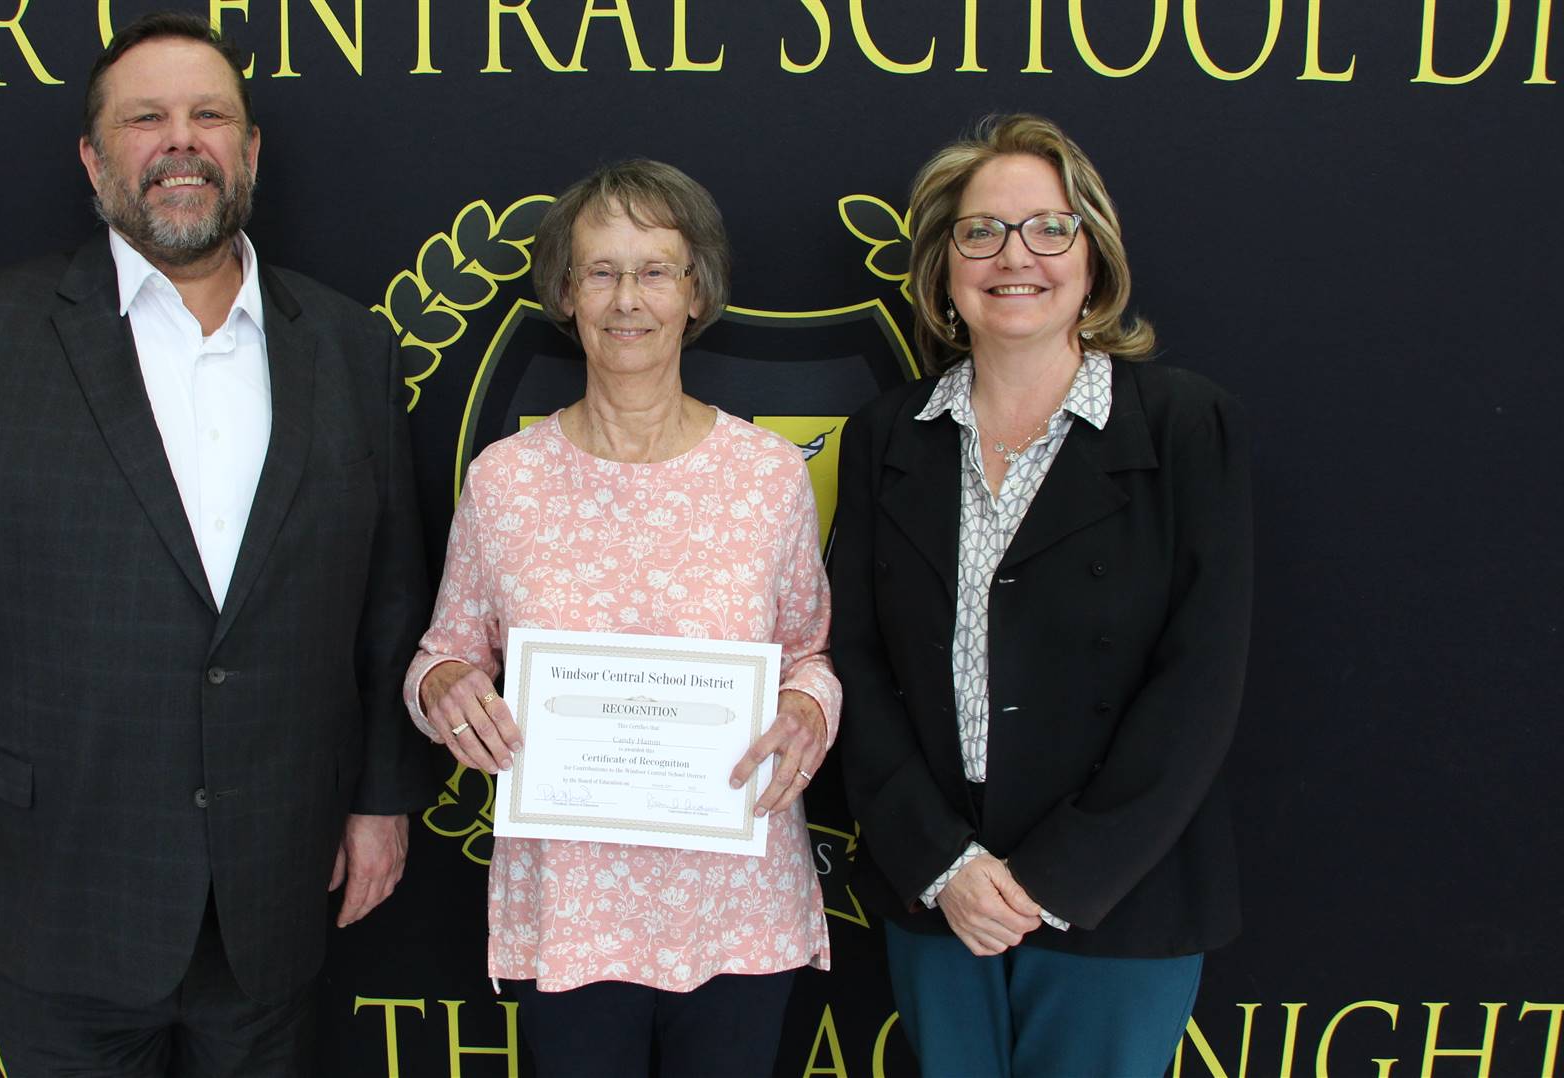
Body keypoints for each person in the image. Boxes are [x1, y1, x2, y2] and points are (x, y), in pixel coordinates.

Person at [0, 13, 431, 1074]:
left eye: (211, 116)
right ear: (93, 155)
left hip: (276, 889)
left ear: (250, 151)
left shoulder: (350, 345)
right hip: (55, 885)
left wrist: (381, 796)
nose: (181, 141)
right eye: (145, 118)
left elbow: (388, 597)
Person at [829, 114, 1253, 1077]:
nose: (1013, 256)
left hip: (1118, 892)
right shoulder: (887, 434)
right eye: (979, 232)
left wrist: (1053, 878)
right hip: (939, 893)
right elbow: (854, 658)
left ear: (1093, 259)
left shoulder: (1186, 425)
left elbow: (1201, 679)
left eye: (1047, 228)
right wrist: (944, 864)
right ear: (942, 269)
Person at [403, 159, 841, 1078]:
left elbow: (810, 652)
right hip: (575, 912)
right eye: (600, 270)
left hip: (736, 905)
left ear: (696, 291)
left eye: (655, 270)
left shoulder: (767, 476)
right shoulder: (505, 479)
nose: (626, 298)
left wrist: (810, 707)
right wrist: (443, 687)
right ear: (566, 293)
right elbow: (443, 656)